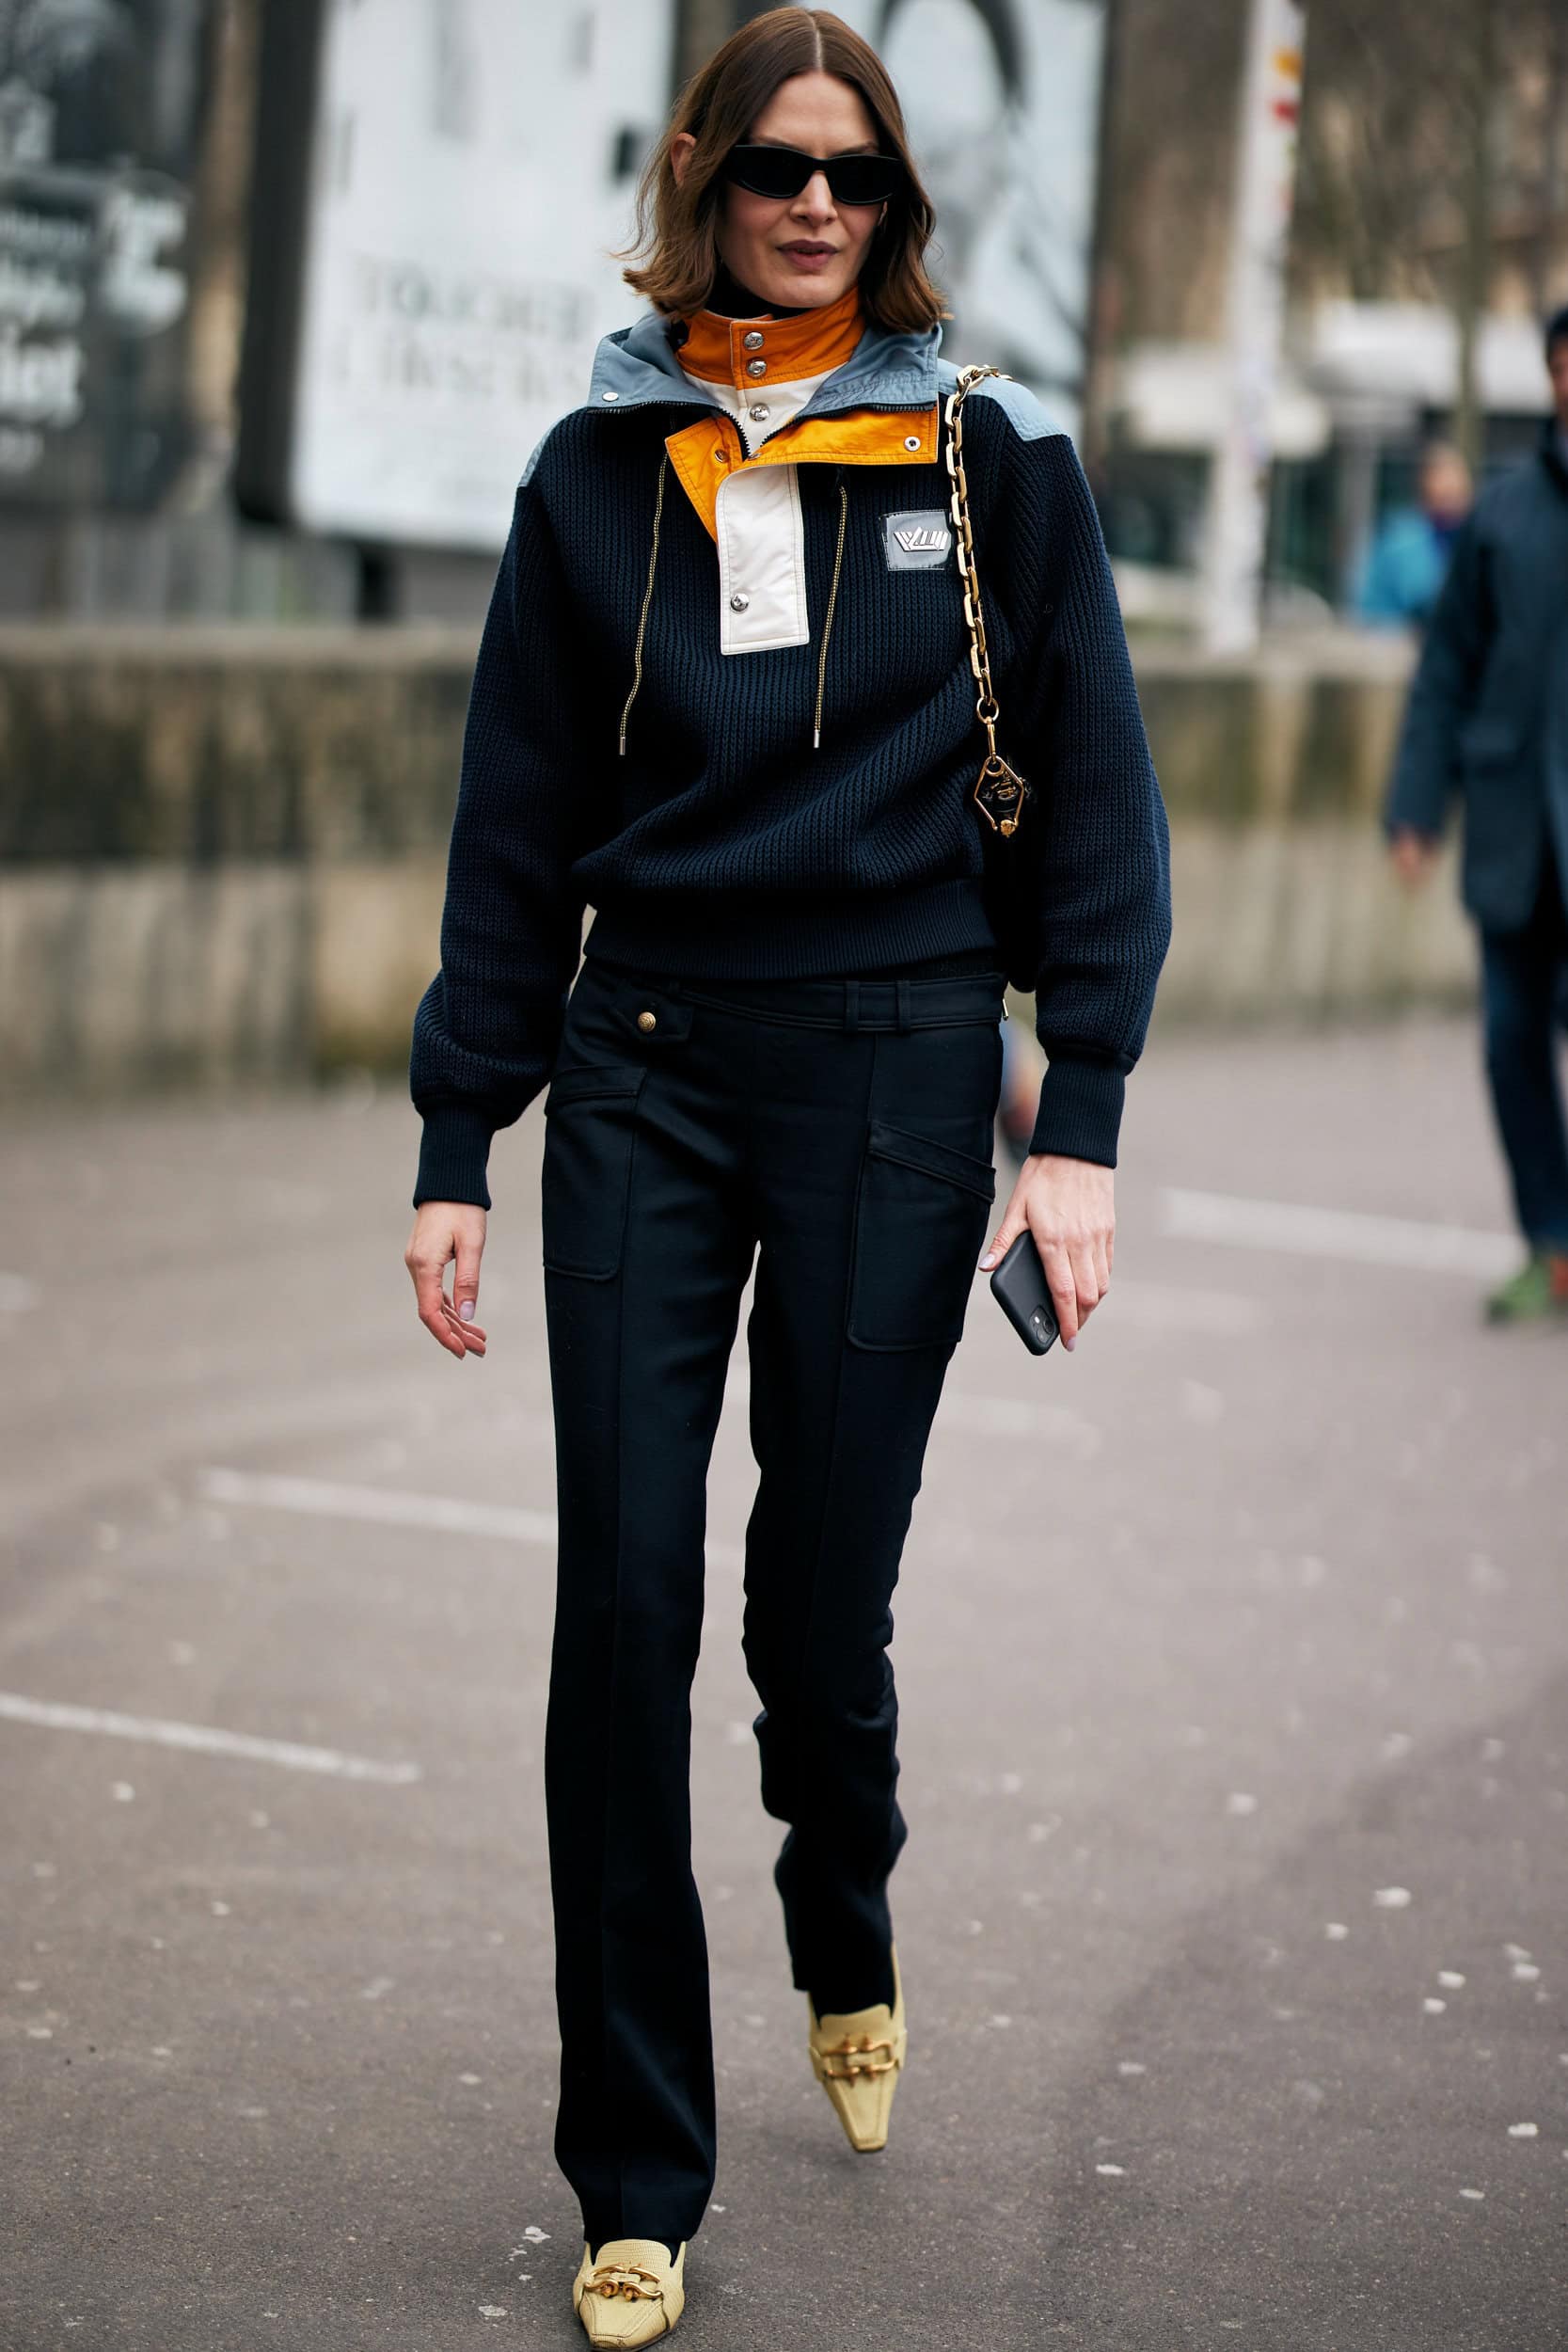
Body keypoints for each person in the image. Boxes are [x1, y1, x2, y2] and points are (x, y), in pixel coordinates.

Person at [404, 10, 1171, 2341]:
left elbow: (1098, 807)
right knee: (619, 1608)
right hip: (640, 1059)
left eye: (853, 174)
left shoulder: (989, 460)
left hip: (897, 1069)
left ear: (894, 204)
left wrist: (1080, 1125)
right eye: (774, 168)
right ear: (704, 183)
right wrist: (458, 1135)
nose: (814, 204)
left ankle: (843, 1899)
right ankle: (634, 2171)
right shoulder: (594, 472)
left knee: (814, 1613)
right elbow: (513, 821)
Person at [1385, 310, 1568, 1325]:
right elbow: (1444, 675)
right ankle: (1549, 1244)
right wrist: (1414, 808)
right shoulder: (1500, 516)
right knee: (1509, 1045)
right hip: (1511, 838)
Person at [1354, 440, 1472, 631]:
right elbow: (1417, 596)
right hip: (1395, 636)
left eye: (1456, 480)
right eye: (1442, 480)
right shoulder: (1401, 538)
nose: (1450, 488)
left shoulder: (1471, 535)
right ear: (1425, 484)